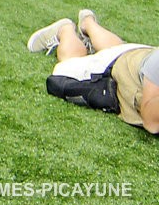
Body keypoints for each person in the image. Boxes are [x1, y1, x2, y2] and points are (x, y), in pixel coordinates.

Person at [27, 10, 159, 134]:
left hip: (136, 56)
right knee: (65, 68)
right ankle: (65, 30)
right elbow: (151, 122)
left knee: (119, 50)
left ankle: (87, 23)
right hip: (117, 67)